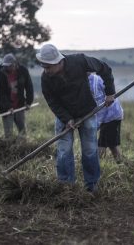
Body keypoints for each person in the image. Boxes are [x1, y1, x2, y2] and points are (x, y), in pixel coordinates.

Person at [36, 44, 116, 192]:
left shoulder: (80, 61)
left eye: (48, 67)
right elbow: (52, 101)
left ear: (58, 62)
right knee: (64, 151)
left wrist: (110, 93)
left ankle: (92, 186)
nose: (46, 71)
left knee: (90, 150)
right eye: (44, 67)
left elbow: (105, 69)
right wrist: (67, 119)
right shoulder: (46, 78)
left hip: (87, 111)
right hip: (64, 117)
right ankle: (66, 187)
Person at [0, 53, 34, 138]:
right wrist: (7, 107)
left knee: (22, 131)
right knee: (8, 134)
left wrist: (28, 102)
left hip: (20, 105)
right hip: (6, 108)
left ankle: (23, 148)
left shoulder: (23, 71)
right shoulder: (2, 75)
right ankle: (9, 148)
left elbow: (29, 87)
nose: (7, 68)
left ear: (14, 64)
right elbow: (0, 95)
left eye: (9, 66)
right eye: (5, 66)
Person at [88, 73, 124, 162]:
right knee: (111, 144)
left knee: (102, 144)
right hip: (103, 118)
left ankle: (96, 165)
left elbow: (111, 92)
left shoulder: (98, 80)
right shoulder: (84, 82)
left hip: (112, 116)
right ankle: (120, 163)